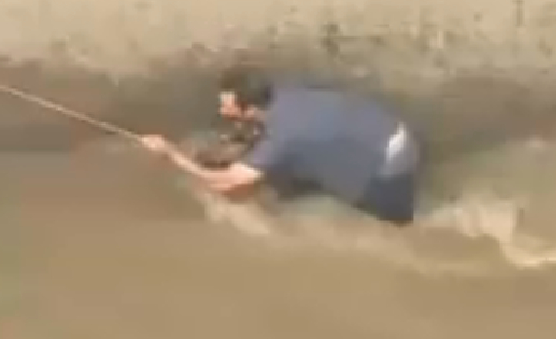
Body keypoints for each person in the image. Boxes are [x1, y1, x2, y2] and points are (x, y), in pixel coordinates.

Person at [139, 66, 422, 225]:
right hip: (389, 129)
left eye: (225, 103)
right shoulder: (283, 96)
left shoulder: (284, 137)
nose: (221, 107)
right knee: (290, 164)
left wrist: (171, 155)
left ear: (248, 107)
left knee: (392, 220)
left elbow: (225, 183)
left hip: (391, 162)